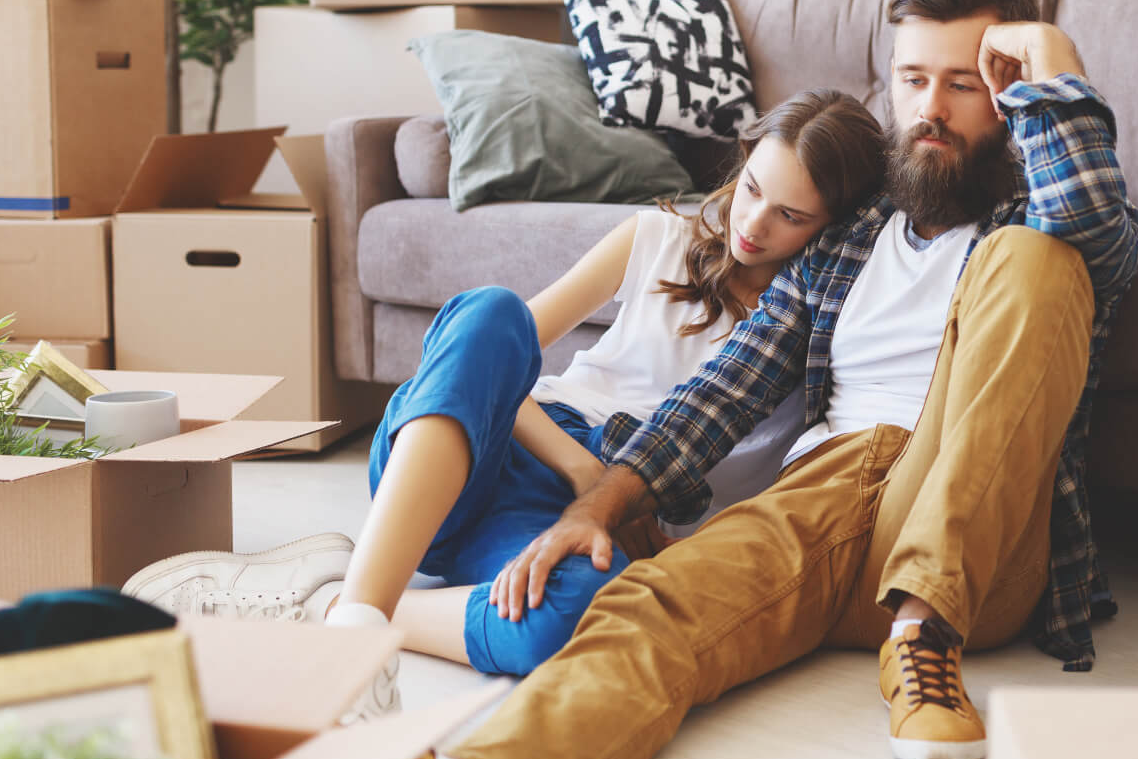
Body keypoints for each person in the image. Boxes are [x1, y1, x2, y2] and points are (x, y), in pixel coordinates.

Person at [321, 0, 1138, 759]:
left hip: (970, 520)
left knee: (1036, 261)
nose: (932, 108)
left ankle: (925, 630)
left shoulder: (1038, 223)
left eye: (965, 84)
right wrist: (598, 504)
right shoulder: (846, 242)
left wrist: (1053, 63)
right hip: (825, 500)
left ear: (1008, 94)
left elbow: (1093, 226)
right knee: (651, 603)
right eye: (913, 79)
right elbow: (724, 389)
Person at [122, 88, 890, 701]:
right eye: (752, 187)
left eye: (791, 216)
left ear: (833, 225)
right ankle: (357, 629)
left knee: (580, 613)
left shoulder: (818, 331)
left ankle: (333, 599)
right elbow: (480, 358)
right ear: (742, 160)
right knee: (489, 311)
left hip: (559, 524)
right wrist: (584, 474)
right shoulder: (656, 237)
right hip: (476, 451)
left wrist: (611, 505)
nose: (753, 224)